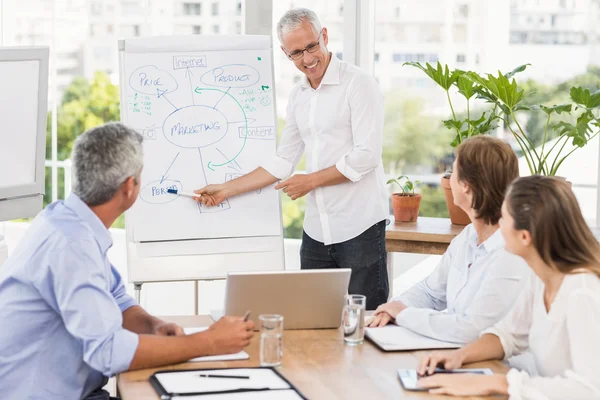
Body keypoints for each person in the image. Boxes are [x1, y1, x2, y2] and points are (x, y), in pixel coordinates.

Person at [0, 123, 255, 400]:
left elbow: (117, 299)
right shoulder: (73, 245)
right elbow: (108, 353)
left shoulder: (66, 220)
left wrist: (152, 326)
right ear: (130, 186)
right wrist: (209, 342)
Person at [194, 8, 389, 309]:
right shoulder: (299, 96)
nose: (307, 59)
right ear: (286, 53)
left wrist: (310, 181)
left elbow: (366, 156)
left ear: (324, 36)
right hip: (315, 231)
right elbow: (283, 160)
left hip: (359, 226)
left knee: (366, 321)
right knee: (312, 321)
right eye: (297, 53)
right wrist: (225, 189)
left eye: (311, 47)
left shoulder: (358, 84)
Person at [417, 176, 600, 398]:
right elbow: (509, 335)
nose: (498, 225)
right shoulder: (541, 277)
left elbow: (590, 389)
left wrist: (498, 383)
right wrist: (459, 356)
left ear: (525, 237)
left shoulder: (583, 291)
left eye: (504, 218)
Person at [366, 136, 529, 344]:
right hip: (455, 352)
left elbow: (471, 330)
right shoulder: (468, 236)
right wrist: (393, 309)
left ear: (465, 186)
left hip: (498, 367)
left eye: (453, 172)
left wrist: (404, 315)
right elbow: (431, 292)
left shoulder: (511, 252)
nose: (448, 179)